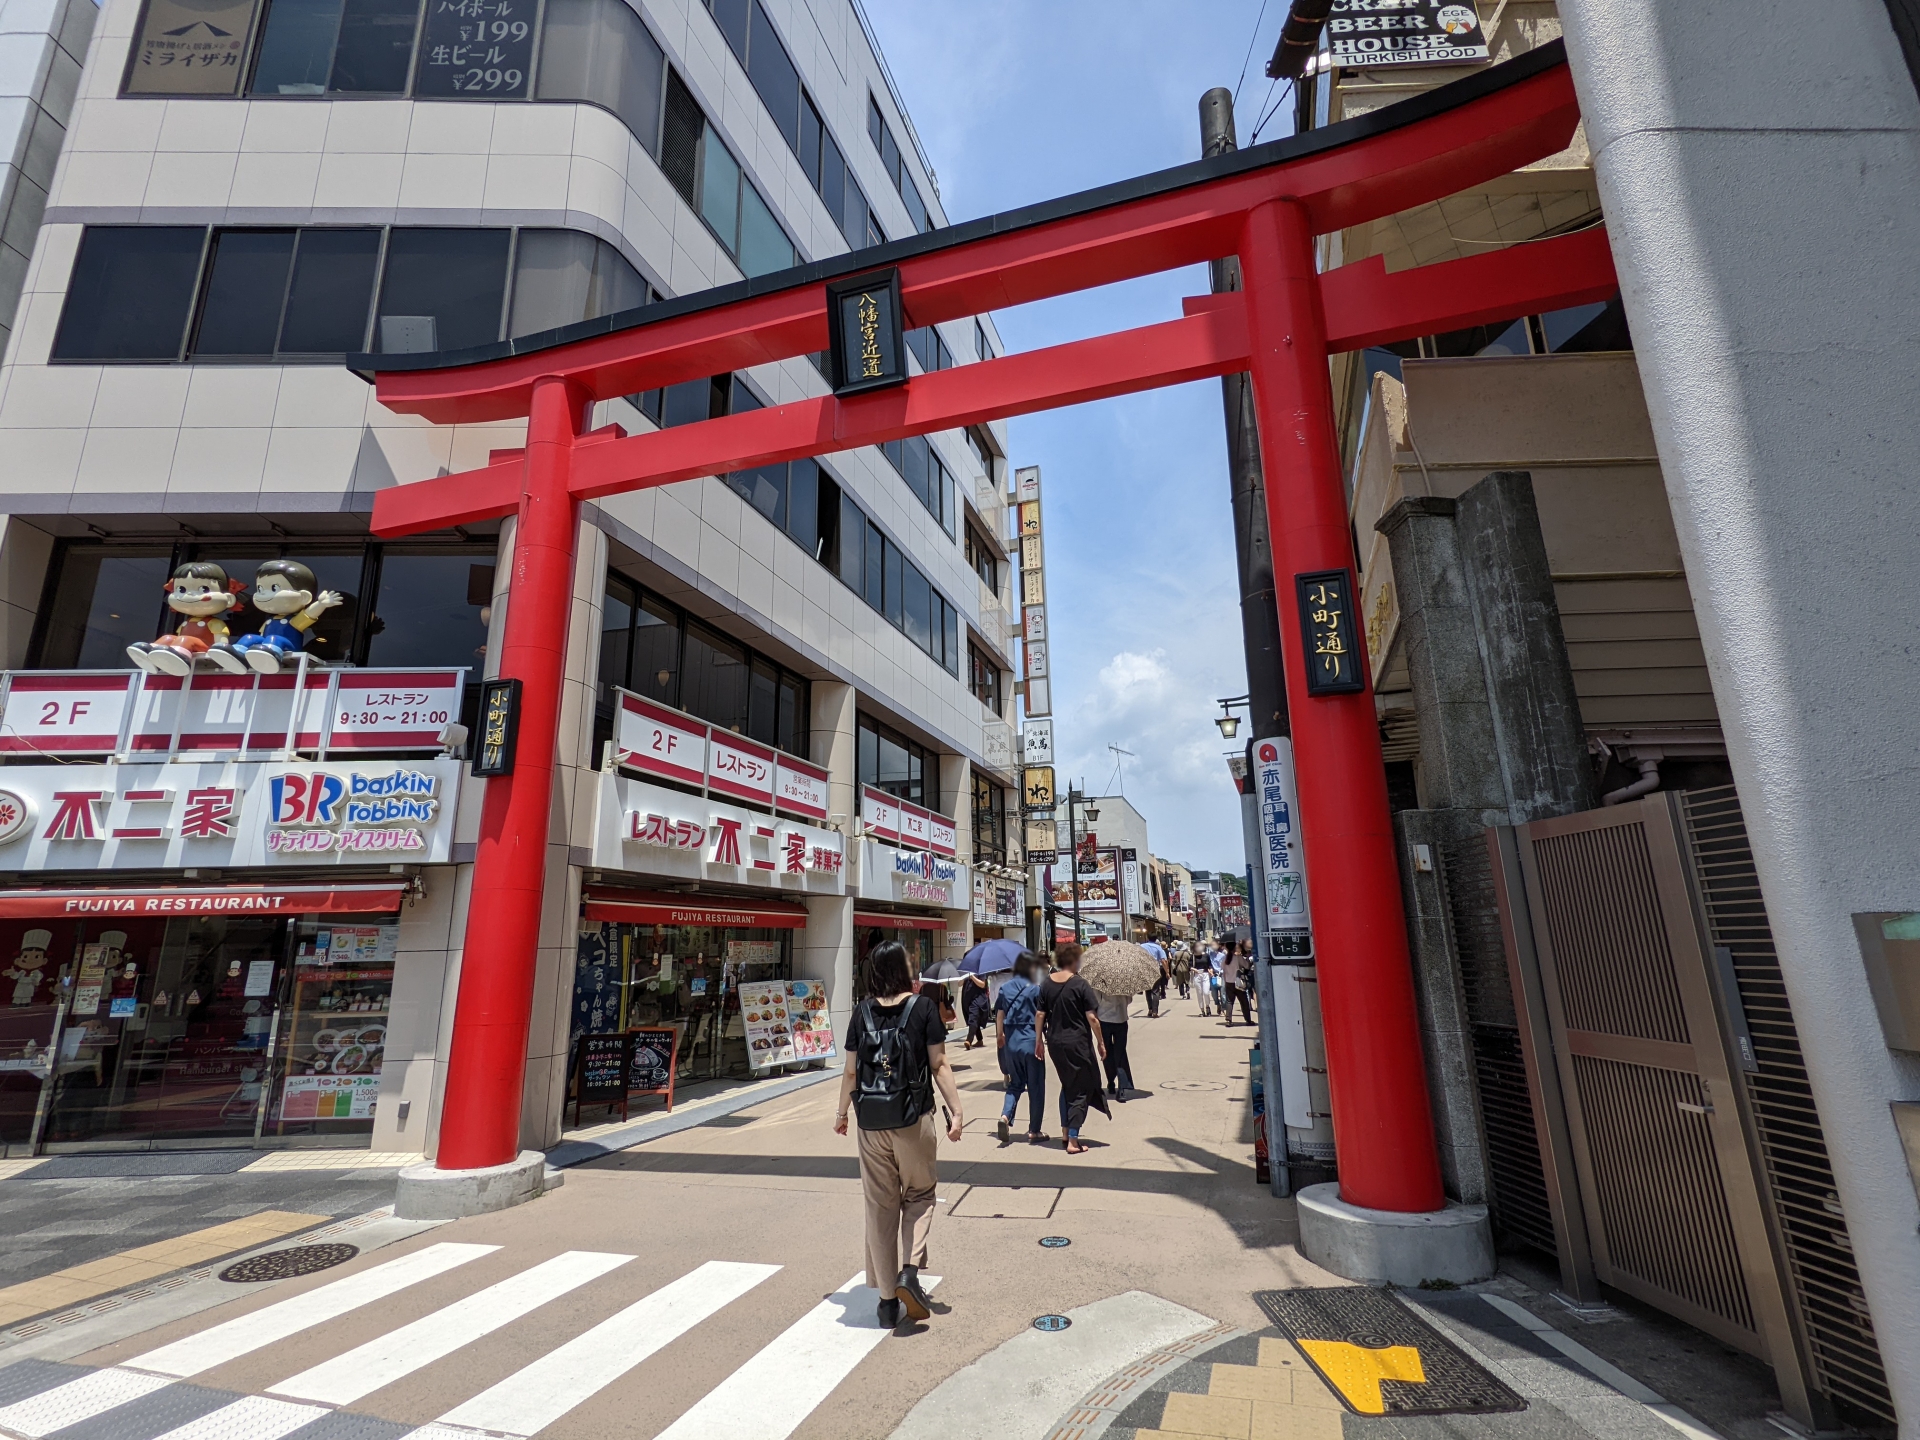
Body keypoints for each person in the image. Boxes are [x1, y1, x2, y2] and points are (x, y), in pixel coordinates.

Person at [835, 941, 965, 1328]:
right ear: (904, 969)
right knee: (921, 1193)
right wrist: (956, 1111)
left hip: (871, 1122)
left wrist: (842, 1113)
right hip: (913, 1119)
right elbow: (939, 1063)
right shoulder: (923, 1007)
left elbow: (851, 1072)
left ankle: (887, 1302)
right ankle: (910, 1270)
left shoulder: (862, 1012)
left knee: (879, 1206)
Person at [1038, 943, 1109, 1154]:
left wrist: (1038, 1041)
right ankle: (1073, 1140)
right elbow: (1092, 1018)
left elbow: (1040, 1014)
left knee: (1067, 1084)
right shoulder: (1080, 984)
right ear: (1073, 960)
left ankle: (1065, 1131)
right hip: (1077, 1043)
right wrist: (1101, 1042)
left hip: (1055, 1043)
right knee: (1082, 1087)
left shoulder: (1046, 983)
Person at [993, 954, 1048, 1144]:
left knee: (1015, 1083)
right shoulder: (1036, 988)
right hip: (1031, 1039)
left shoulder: (1005, 988)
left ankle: (1005, 1117)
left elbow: (1000, 1014)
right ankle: (1034, 1130)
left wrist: (1000, 1036)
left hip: (1011, 1041)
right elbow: (1041, 1014)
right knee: (1036, 1086)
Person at [1094, 985, 1133, 1099]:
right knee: (1120, 1053)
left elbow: (1096, 999)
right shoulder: (1125, 980)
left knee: (1106, 1051)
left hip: (1104, 1018)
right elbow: (1129, 999)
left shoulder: (1100, 980)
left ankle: (1111, 1081)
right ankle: (1122, 1088)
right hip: (1121, 1018)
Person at [1222, 942, 1255, 1026]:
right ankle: (1248, 1020)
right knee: (1244, 1002)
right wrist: (1247, 959)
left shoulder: (1225, 958)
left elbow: (1223, 969)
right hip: (1238, 982)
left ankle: (1228, 1020)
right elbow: (1247, 966)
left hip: (1228, 982)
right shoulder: (1238, 957)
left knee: (1229, 1001)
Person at [1139, 939, 1168, 1019]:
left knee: (1148, 990)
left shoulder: (1142, 946)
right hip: (1155, 969)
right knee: (1155, 991)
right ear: (1155, 940)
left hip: (1145, 970)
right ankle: (1155, 1011)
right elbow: (1163, 960)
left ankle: (1150, 1009)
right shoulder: (1158, 948)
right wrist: (1167, 972)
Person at [960, 972, 990, 1049]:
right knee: (972, 1018)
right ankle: (979, 1040)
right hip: (967, 1000)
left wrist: (973, 977)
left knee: (973, 1017)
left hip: (977, 999)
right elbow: (959, 984)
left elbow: (983, 984)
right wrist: (964, 977)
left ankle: (969, 1040)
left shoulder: (980, 971)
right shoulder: (965, 972)